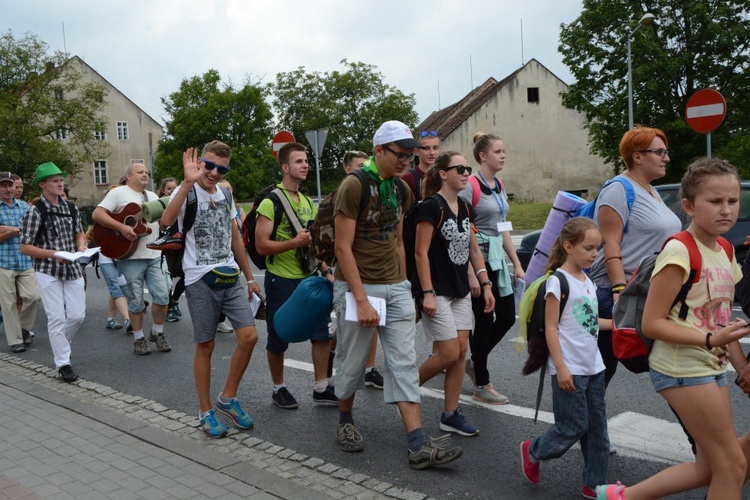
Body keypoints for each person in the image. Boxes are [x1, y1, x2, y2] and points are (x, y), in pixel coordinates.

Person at [597, 158, 750, 500]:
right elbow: (653, 322)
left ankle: (624, 497)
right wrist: (710, 339)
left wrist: (741, 368)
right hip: (681, 367)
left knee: (709, 468)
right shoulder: (680, 250)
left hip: (710, 365)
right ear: (688, 206)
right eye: (715, 201)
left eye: (732, 200)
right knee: (732, 467)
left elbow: (722, 318)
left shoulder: (724, 248)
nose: (726, 209)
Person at [332, 119, 462, 470]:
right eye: (400, 154)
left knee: (404, 362)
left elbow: (397, 240)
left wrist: (406, 286)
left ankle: (417, 444)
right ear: (378, 150)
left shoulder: (401, 190)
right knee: (352, 363)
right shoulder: (354, 185)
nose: (407, 160)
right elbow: (342, 248)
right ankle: (345, 422)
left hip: (395, 287)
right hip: (359, 286)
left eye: (410, 154)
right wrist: (360, 299)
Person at [160, 141, 260, 439]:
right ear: (200, 163)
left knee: (249, 335)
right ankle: (205, 411)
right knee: (206, 346)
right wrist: (188, 182)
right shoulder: (187, 192)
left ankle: (227, 398)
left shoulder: (226, 194)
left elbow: (235, 239)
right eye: (210, 166)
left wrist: (250, 276)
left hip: (229, 273)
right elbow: (166, 221)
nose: (215, 173)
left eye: (222, 168)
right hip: (199, 278)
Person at [520, 218, 609, 499]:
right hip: (569, 368)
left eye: (598, 248)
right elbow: (550, 327)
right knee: (573, 427)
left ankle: (594, 485)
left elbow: (591, 322)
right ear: (568, 246)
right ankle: (533, 450)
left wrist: (622, 325)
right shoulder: (557, 283)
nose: (595, 254)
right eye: (589, 247)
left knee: (598, 431)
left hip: (594, 366)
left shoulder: (589, 281)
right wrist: (560, 368)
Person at [588, 127, 681, 388]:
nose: (666, 158)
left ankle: (584, 424)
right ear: (637, 156)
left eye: (666, 152)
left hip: (644, 292)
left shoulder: (651, 191)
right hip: (618, 294)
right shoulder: (619, 189)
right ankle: (578, 425)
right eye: (660, 152)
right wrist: (619, 288)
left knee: (607, 371)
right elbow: (610, 242)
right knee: (600, 371)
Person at [415, 152, 494, 437]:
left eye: (467, 168)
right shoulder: (431, 207)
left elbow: (473, 249)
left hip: (461, 290)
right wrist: (427, 292)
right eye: (460, 168)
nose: (465, 173)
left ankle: (450, 414)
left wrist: (485, 284)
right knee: (447, 352)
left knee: (461, 352)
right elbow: (420, 253)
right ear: (442, 174)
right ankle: (405, 387)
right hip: (438, 290)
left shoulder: (462, 205)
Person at [255, 142, 337, 408]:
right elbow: (261, 245)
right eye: (299, 162)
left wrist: (325, 270)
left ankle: (321, 387)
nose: (305, 166)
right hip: (281, 278)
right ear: (285, 167)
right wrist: (293, 243)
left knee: (321, 332)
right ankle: (278, 388)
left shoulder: (307, 202)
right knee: (278, 335)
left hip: (309, 278)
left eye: (306, 161)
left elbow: (313, 243)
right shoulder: (271, 202)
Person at [458, 132, 524, 404]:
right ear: (483, 156)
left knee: (508, 315)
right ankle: (482, 384)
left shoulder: (498, 184)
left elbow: (503, 228)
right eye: (498, 151)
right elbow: (461, 231)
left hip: (497, 259)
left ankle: (475, 360)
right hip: (477, 260)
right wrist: (471, 272)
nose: (503, 155)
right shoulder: (469, 186)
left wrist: (517, 264)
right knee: (484, 319)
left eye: (504, 150)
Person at [92, 163, 172, 355]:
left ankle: (157, 333)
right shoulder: (118, 193)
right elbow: (97, 214)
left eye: (146, 172)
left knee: (162, 296)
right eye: (140, 172)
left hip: (154, 254)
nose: (145, 174)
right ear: (129, 175)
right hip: (130, 256)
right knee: (135, 301)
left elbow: (164, 222)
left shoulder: (153, 197)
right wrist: (121, 228)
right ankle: (139, 339)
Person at [20, 162, 87, 382]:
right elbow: (25, 246)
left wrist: (82, 246)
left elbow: (80, 233)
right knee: (56, 318)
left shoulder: (71, 208)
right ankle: (63, 363)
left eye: (61, 180)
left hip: (73, 266)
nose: (60, 184)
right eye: (55, 181)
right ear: (43, 184)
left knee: (77, 315)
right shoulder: (35, 211)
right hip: (48, 269)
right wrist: (52, 253)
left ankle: (60, 345)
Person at [327, 150, 384, 389]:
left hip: (371, 271)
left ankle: (369, 369)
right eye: (361, 165)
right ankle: (333, 356)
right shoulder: (343, 194)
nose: (366, 169)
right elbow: (333, 239)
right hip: (346, 270)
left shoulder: (374, 193)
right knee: (350, 328)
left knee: (371, 322)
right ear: (348, 170)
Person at [0, 171, 41, 353]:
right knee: (8, 303)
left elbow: (33, 231)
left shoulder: (25, 207)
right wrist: (12, 232)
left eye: (11, 185)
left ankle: (24, 328)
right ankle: (15, 340)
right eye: (4, 186)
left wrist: (7, 229)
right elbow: (21, 231)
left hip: (25, 260)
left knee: (33, 297)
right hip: (3, 261)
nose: (8, 189)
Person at [401, 130, 440, 200]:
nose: (432, 152)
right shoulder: (408, 179)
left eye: (435, 148)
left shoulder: (445, 176)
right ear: (416, 151)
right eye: (426, 148)